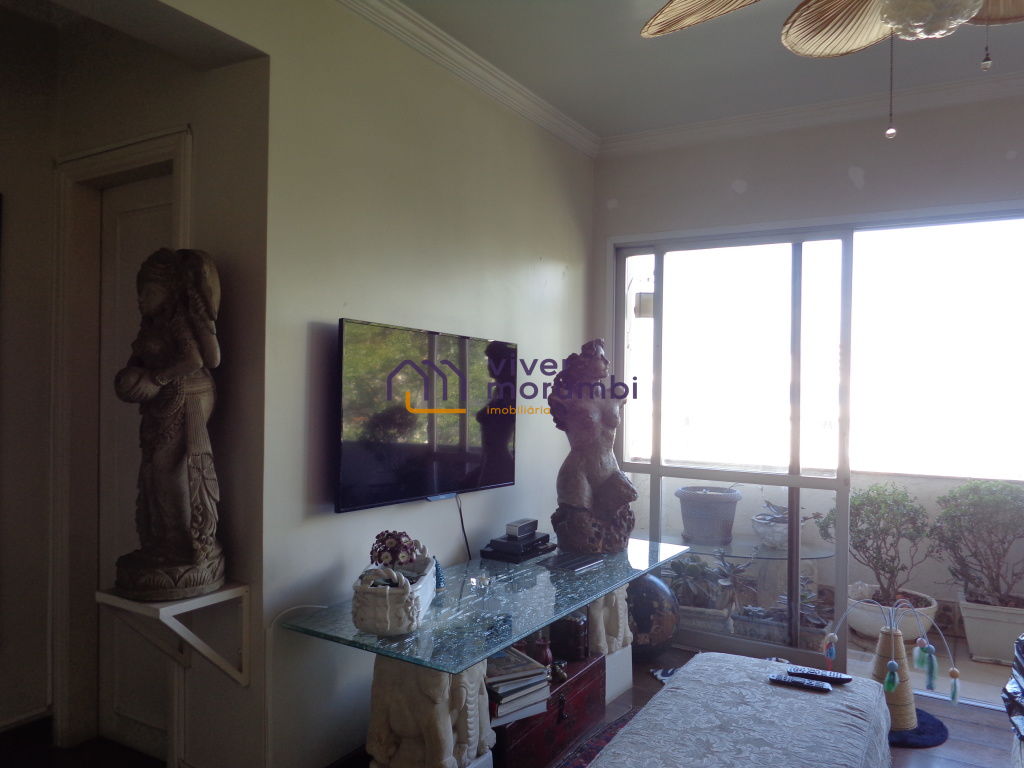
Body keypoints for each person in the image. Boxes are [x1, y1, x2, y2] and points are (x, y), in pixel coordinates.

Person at [113, 248, 224, 599]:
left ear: (169, 291)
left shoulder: (178, 321)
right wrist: (131, 377)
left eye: (148, 291)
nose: (141, 300)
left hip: (188, 395)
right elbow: (139, 357)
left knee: (169, 467)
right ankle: (161, 540)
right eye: (139, 293)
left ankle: (184, 542)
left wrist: (156, 379)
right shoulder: (152, 324)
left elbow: (198, 359)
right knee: (152, 468)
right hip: (162, 398)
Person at [548, 339, 636, 553]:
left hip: (610, 469)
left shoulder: (616, 394)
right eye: (600, 357)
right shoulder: (565, 399)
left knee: (617, 536)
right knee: (583, 539)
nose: (607, 361)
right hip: (579, 473)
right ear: (584, 364)